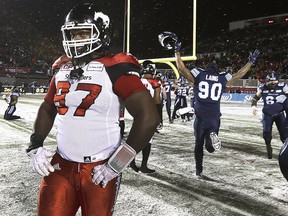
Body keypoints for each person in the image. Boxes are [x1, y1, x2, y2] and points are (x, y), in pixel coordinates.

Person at [26, 3, 160, 216]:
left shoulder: (116, 67)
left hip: (99, 168)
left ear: (102, 34)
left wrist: (116, 164)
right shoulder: (63, 68)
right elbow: (47, 107)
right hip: (62, 164)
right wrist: (35, 144)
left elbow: (149, 117)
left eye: (82, 33)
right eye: (71, 34)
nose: (75, 40)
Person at [172, 33, 260, 177]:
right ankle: (212, 138)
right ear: (217, 70)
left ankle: (198, 170)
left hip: (200, 117)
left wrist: (177, 52)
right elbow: (239, 75)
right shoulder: (221, 78)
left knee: (198, 145)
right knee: (210, 148)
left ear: (205, 68)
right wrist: (250, 62)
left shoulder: (199, 75)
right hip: (214, 118)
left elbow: (182, 69)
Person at [129, 60, 161, 173]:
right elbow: (157, 101)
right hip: (148, 113)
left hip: (136, 112)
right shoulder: (155, 82)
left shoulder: (137, 80)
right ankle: (143, 166)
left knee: (134, 138)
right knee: (148, 140)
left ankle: (131, 162)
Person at [251, 71, 288, 159]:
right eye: (271, 80)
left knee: (284, 135)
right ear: (266, 80)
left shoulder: (283, 86)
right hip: (267, 115)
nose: (273, 82)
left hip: (280, 113)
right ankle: (268, 148)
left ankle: (286, 151)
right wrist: (253, 106)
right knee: (267, 134)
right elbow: (255, 98)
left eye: (275, 80)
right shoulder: (262, 88)